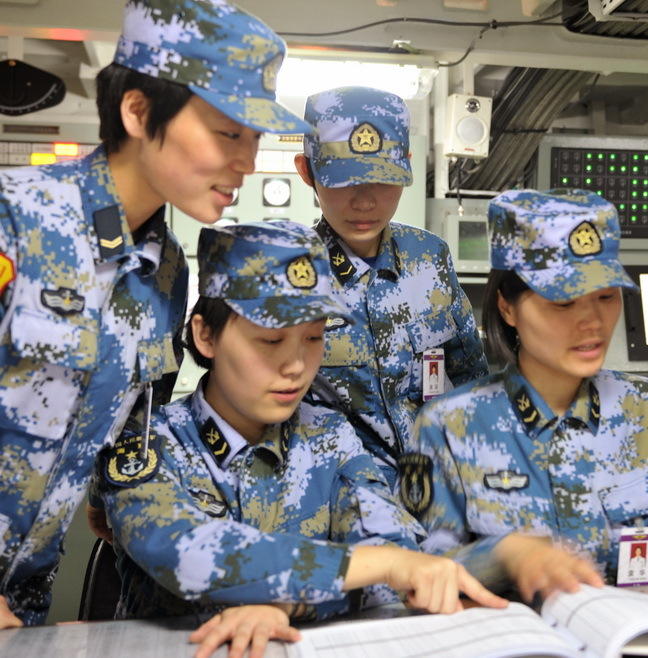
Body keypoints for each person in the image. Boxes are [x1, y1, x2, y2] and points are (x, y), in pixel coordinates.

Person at [0, 0, 309, 627]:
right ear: (138, 112)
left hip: (22, 604)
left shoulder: (165, 271)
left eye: (254, 138)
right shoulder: (17, 220)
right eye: (229, 133)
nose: (247, 162)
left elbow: (124, 428)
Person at [97, 222, 508, 658]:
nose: (295, 365)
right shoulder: (148, 445)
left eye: (313, 338)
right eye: (271, 340)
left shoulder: (328, 435)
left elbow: (394, 552)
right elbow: (188, 554)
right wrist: (379, 567)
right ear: (206, 335)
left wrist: (287, 604)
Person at [406, 189, 648, 614]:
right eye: (564, 302)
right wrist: (504, 556)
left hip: (625, 633)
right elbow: (419, 571)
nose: (591, 321)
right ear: (507, 308)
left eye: (606, 297)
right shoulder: (448, 425)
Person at [293, 86, 488, 489]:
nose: (365, 202)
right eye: (345, 181)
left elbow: (471, 378)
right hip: (339, 496)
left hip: (437, 487)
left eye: (383, 180)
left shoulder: (429, 257)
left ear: (406, 167)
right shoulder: (291, 273)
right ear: (307, 171)